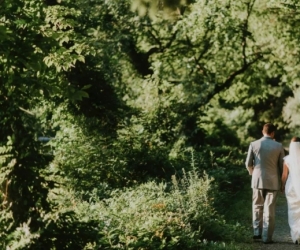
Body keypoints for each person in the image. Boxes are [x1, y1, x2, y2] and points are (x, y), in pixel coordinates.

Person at [245, 123, 285, 244]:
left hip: (257, 179)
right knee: (269, 209)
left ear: (263, 131)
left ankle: (257, 232)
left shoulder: (254, 144)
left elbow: (248, 164)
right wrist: (282, 182)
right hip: (273, 181)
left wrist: (253, 173)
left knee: (257, 205)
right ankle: (267, 237)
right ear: (273, 133)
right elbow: (282, 167)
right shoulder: (278, 146)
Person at [281, 136, 300, 244]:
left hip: (291, 187)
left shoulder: (287, 159)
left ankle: (296, 236)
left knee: (293, 211)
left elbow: (284, 175)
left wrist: (282, 185)